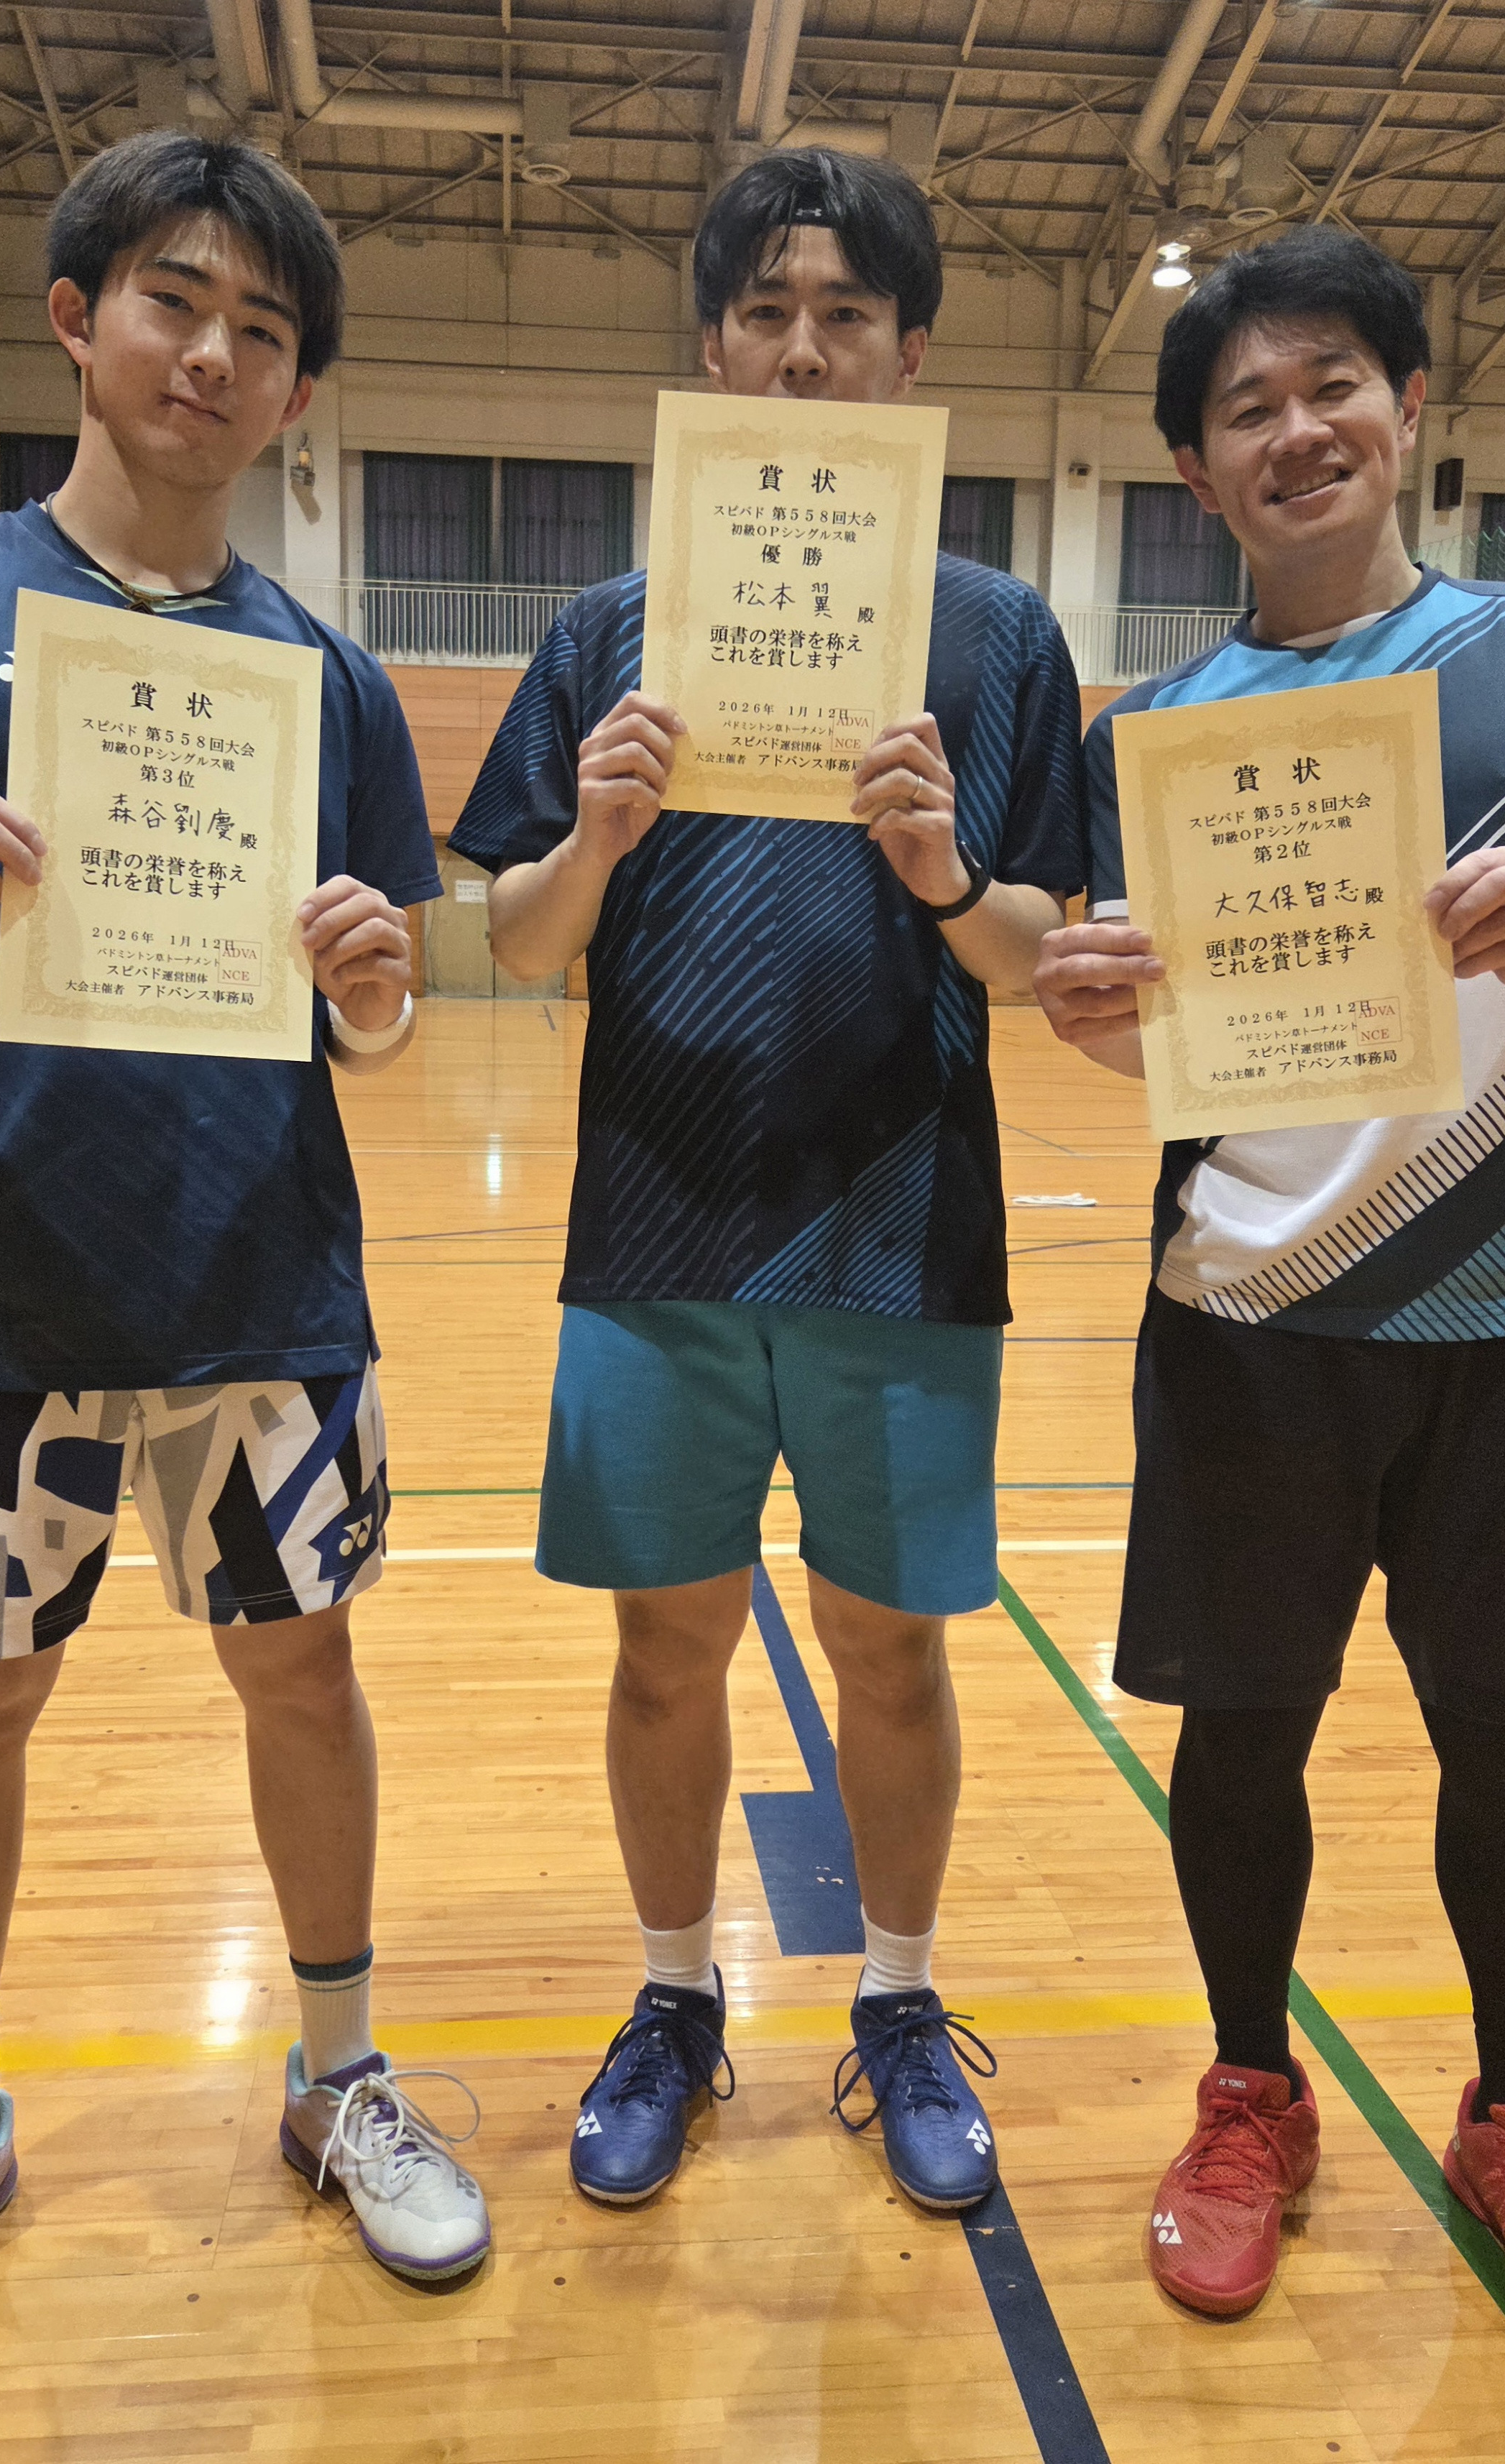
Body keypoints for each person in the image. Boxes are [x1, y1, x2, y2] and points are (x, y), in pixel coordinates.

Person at [0, 130, 489, 2395]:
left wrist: (376, 988)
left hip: (262, 1278)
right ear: (75, 319)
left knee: (304, 1680)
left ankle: (337, 2077)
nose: (213, 355)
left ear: (296, 397)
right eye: (175, 300)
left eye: (262, 331)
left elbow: (378, 1016)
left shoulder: (328, 682)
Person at [1035, 226, 1505, 2375]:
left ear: (1408, 408)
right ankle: (1253, 2089)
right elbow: (1149, 1040)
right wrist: (1088, 1013)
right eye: (1247, 406)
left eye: (1332, 384)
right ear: (1195, 471)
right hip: (1246, 1309)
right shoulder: (1156, 733)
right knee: (1240, 1737)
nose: (1296, 428)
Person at [448, 148, 1084, 2217]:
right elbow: (513, 943)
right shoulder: (606, 630)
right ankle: (671, 1993)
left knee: (893, 1653)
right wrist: (594, 837)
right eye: (766, 313)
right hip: (656, 1225)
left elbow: (1040, 956)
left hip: (906, 1225)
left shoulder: (1000, 636)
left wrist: (948, 874)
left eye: (847, 315)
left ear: (909, 353)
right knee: (665, 1652)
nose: (804, 351)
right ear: (712, 347)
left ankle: (895, 2000)